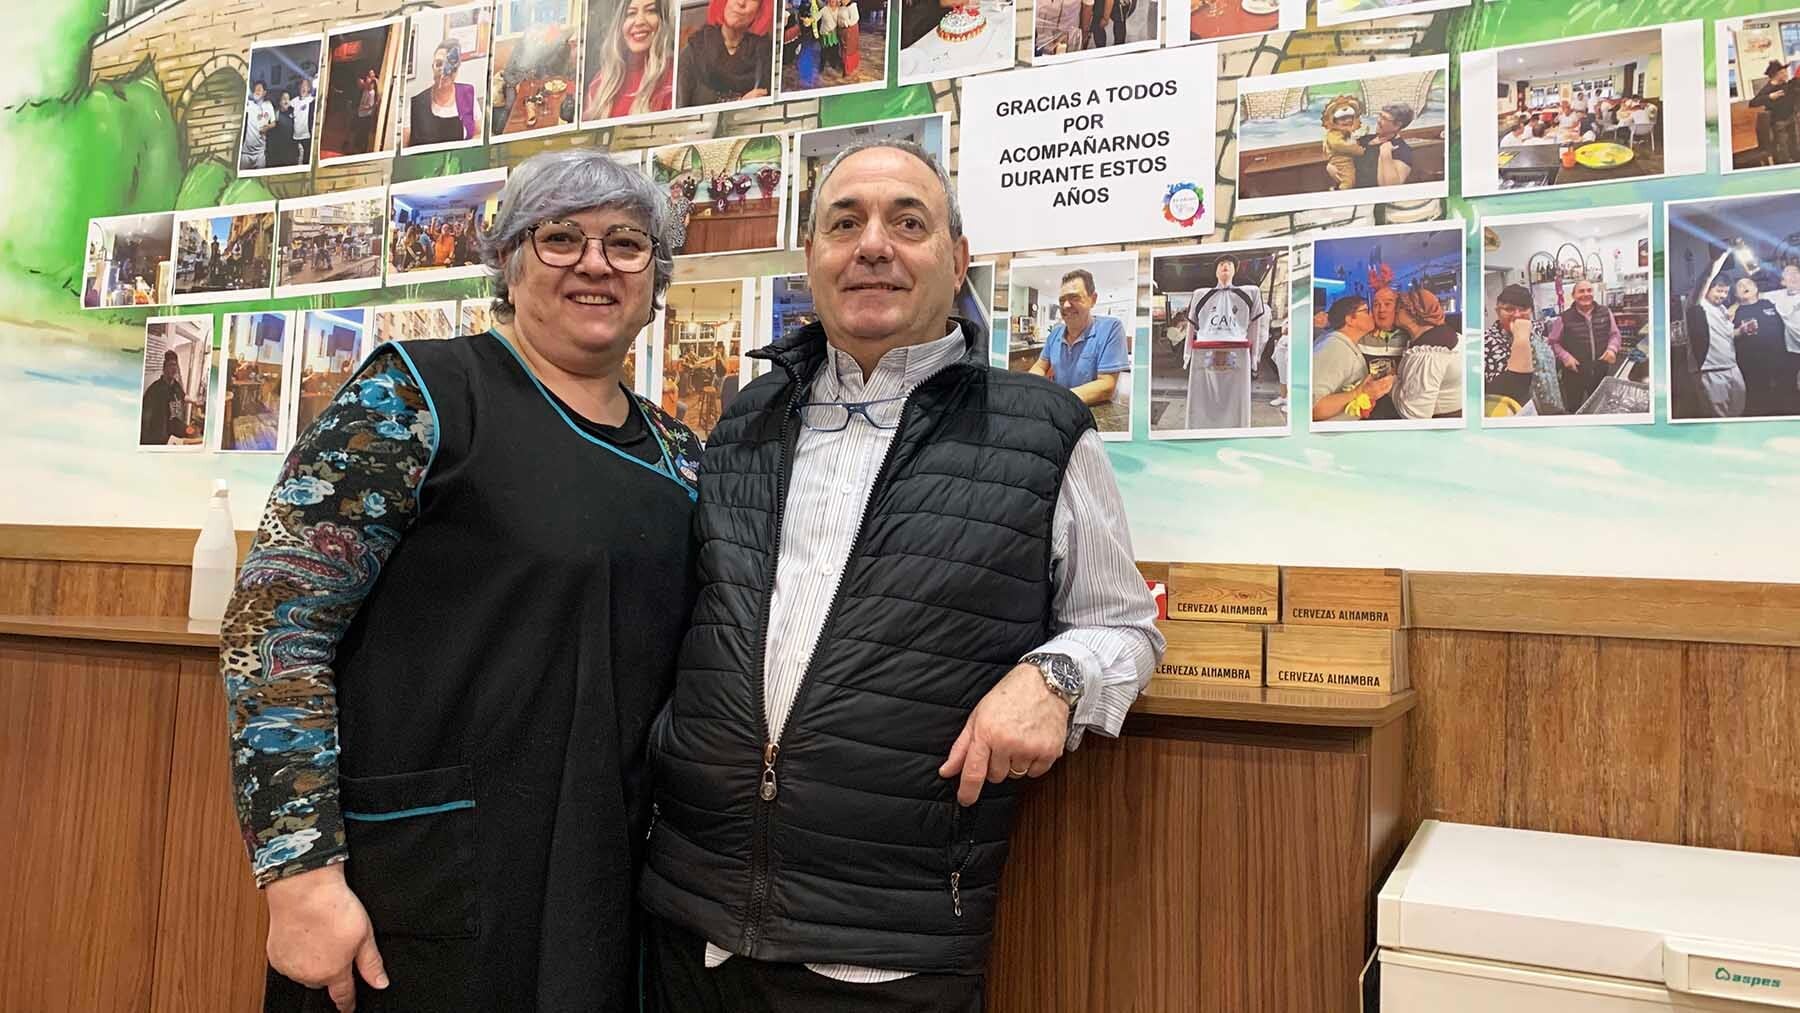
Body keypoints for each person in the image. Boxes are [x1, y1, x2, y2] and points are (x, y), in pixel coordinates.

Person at [639, 138, 1162, 1012]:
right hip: (687, 922)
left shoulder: (1043, 430)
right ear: (812, 260)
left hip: (885, 947)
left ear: (957, 261)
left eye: (906, 222)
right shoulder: (744, 424)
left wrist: (1057, 675)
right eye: (845, 222)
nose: (873, 243)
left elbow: (1126, 624)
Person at [226, 150, 703, 1013]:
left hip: (597, 892)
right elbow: (274, 625)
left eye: (627, 244)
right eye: (561, 237)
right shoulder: (417, 394)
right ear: (511, 263)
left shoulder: (685, 458)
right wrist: (298, 876)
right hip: (413, 892)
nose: (595, 263)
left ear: (654, 278)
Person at [1178, 255, 1268, 429]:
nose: (1225, 266)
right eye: (1220, 264)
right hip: (1205, 349)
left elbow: (1255, 326)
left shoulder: (1250, 293)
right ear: (1216, 271)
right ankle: (1199, 429)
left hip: (1237, 350)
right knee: (1202, 395)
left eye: (1229, 264)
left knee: (1235, 396)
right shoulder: (1201, 295)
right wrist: (1187, 355)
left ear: (1235, 270)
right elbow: (1191, 327)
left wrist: (1255, 355)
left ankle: (1236, 429)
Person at [1028, 268, 1130, 406]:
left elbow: (1107, 385)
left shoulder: (1111, 328)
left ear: (1092, 299)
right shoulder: (1055, 333)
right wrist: (1030, 387)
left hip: (1093, 413)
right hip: (1059, 409)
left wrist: (1058, 399)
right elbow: (1040, 367)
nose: (1066, 305)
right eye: (1062, 300)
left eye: (1074, 298)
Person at [586, 0, 675, 120]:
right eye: (631, 13)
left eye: (650, 11)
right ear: (620, 24)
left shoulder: (674, 76)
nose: (639, 22)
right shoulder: (602, 81)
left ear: (663, 20)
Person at [1682, 251, 1746, 418]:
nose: (1722, 296)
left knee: (1737, 413)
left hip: (1732, 367)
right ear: (1707, 289)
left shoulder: (1722, 308)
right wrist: (1718, 258)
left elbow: (1727, 335)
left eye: (1725, 292)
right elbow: (1705, 278)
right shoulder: (1696, 304)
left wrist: (1741, 330)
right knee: (1718, 418)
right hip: (1709, 371)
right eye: (1719, 291)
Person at [1482, 284, 1563, 415]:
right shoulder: (1486, 342)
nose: (1517, 315)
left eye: (1524, 308)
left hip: (1552, 407)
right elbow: (1513, 390)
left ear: (1531, 310)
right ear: (1497, 311)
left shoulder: (1537, 328)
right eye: (1509, 309)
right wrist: (1520, 339)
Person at [675, 0, 773, 108]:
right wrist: (740, 103)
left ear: (760, 9)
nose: (741, 2)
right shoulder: (693, 52)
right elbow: (679, 116)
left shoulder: (766, 53)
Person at [1311, 295, 1393, 421]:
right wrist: (1360, 393)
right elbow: (1313, 408)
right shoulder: (1334, 348)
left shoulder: (1343, 343)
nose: (1373, 315)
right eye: (1366, 311)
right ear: (1350, 319)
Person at [1546, 279, 1621, 412]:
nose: (1586, 294)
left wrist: (1612, 349)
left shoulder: (1605, 312)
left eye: (1589, 290)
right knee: (1574, 407)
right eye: (1581, 291)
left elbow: (1615, 335)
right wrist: (1565, 357)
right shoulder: (1564, 318)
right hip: (1574, 373)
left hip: (1600, 370)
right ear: (1573, 295)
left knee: (1600, 405)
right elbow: (1553, 342)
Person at [1392, 287, 1461, 420]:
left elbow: (1414, 414)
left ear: (1414, 313)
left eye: (1400, 307)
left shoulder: (1428, 352)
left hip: (1443, 423)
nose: (1395, 310)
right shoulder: (1445, 335)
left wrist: (1392, 385)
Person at [1729, 275, 1788, 417]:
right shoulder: (1732, 312)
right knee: (1758, 406)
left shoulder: (1768, 303)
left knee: (1784, 404)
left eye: (1748, 283)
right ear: (1736, 294)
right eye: (1740, 286)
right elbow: (1725, 335)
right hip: (1751, 368)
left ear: (1756, 289)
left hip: (1779, 364)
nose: (1744, 287)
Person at [406, 38, 479, 148]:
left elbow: (478, 134)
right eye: (439, 64)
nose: (444, 70)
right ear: (433, 67)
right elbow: (405, 147)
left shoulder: (468, 96)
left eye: (450, 64)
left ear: (457, 68)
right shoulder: (415, 104)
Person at [1759, 262, 1800, 415]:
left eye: (1796, 272)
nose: (1793, 276)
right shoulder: (1778, 295)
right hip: (1792, 351)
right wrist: (1734, 307)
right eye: (1788, 274)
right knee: (1789, 389)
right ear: (1783, 282)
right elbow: (1754, 295)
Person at [1750, 60, 1799, 165]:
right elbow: (1753, 103)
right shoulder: (1768, 88)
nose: (1786, 74)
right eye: (1783, 72)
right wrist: (1770, 97)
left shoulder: (1786, 84)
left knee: (1795, 146)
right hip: (1779, 123)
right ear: (1777, 74)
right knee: (1783, 149)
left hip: (1791, 118)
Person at [139, 349, 186, 445]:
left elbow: (183, 396)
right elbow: (145, 420)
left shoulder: (176, 386)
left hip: (175, 437)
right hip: (158, 440)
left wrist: (194, 402)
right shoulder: (154, 390)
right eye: (170, 365)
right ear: (164, 368)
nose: (174, 368)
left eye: (175, 365)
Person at [241, 80, 276, 171]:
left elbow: (273, 123)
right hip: (245, 154)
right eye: (255, 89)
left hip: (260, 153)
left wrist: (267, 127)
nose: (256, 91)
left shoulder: (268, 105)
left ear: (264, 93)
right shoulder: (250, 104)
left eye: (259, 89)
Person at [291, 77, 317, 165]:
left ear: (309, 88)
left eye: (306, 85)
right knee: (296, 159)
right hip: (295, 137)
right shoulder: (294, 101)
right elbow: (286, 107)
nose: (303, 87)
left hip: (306, 136)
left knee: (306, 160)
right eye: (302, 85)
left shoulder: (311, 100)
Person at [355, 69, 381, 153]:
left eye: (371, 76)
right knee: (359, 130)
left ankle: (362, 148)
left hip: (366, 115)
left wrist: (361, 107)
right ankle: (358, 145)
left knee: (364, 132)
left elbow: (370, 105)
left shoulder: (372, 92)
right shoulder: (366, 89)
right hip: (361, 114)